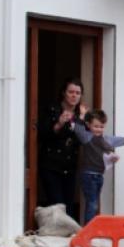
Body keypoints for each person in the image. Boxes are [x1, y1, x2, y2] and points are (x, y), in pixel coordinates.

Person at [73, 109, 124, 225]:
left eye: (101, 127)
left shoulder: (106, 139)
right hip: (88, 175)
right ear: (88, 125)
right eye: (96, 126)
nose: (99, 129)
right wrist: (81, 117)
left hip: (99, 176)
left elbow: (116, 140)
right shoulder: (87, 137)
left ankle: (91, 227)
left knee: (95, 203)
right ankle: (88, 229)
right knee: (92, 203)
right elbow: (78, 130)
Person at [38, 78, 88, 219]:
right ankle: (56, 237)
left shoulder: (81, 114)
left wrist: (83, 121)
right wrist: (59, 123)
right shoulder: (53, 109)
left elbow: (85, 139)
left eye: (78, 93)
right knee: (57, 203)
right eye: (71, 92)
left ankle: (68, 237)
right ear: (63, 93)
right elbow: (41, 134)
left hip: (70, 166)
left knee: (68, 204)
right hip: (51, 164)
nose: (74, 95)